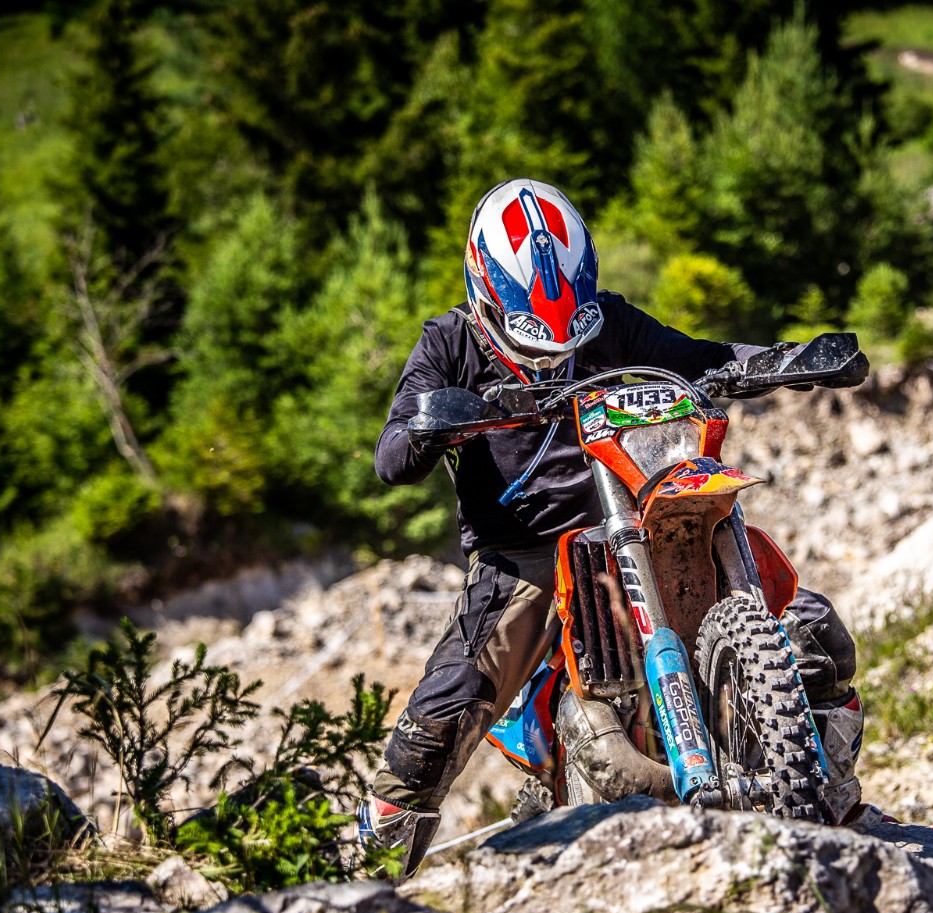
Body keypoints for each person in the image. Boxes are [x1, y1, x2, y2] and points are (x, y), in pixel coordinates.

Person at [358, 179, 887, 877]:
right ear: (485, 292)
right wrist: (436, 425)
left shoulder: (610, 321)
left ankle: (834, 799)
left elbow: (702, 358)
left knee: (811, 627)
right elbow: (392, 454)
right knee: (450, 703)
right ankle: (375, 862)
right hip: (530, 550)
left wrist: (791, 359)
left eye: (568, 332)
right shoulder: (449, 342)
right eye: (534, 340)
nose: (554, 351)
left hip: (642, 511)